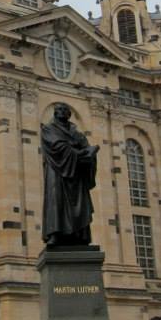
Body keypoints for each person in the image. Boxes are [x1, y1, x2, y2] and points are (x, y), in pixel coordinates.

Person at [41, 103, 99, 246]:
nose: (62, 112)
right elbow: (57, 147)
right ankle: (55, 234)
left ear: (69, 114)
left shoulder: (77, 134)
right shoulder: (49, 129)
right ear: (55, 113)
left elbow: (87, 148)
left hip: (77, 174)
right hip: (57, 171)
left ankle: (80, 235)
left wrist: (90, 154)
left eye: (65, 110)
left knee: (80, 203)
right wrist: (81, 153)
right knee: (56, 201)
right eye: (59, 110)